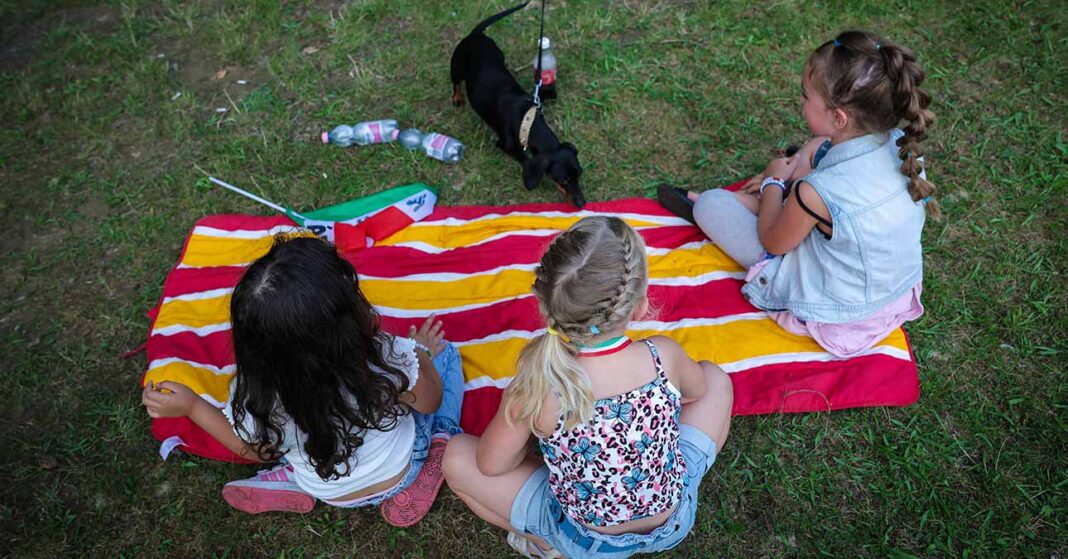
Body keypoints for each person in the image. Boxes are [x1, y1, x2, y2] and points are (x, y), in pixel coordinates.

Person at [442, 216, 733, 558]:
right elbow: (696, 393)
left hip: (588, 542)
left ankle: (547, 545)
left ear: (547, 304)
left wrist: (542, 446)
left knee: (457, 457)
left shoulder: (537, 388)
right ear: (639, 304)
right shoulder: (662, 355)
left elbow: (491, 465)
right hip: (672, 520)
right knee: (714, 377)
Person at [141, 235, 463, 526]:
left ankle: (287, 479)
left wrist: (193, 405)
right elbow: (430, 400)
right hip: (401, 469)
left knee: (291, 443)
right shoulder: (384, 355)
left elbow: (253, 450)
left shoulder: (255, 393)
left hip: (325, 486)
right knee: (446, 355)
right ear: (346, 315)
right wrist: (418, 352)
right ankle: (437, 453)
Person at [664, 30, 938, 358]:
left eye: (807, 97)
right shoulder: (902, 147)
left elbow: (773, 243)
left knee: (710, 204)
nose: (802, 103)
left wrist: (773, 183)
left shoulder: (815, 192)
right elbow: (826, 155)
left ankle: (746, 201)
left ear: (838, 117)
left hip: (839, 305)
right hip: (890, 288)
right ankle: (773, 196)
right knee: (814, 149)